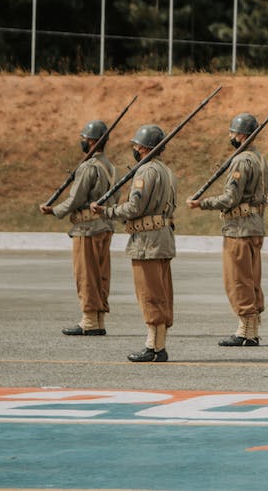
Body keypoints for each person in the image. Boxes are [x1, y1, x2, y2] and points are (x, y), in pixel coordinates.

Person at [90, 124, 176, 363]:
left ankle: (155, 347)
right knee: (161, 292)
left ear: (146, 147)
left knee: (149, 294)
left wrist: (107, 212)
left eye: (137, 145)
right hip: (162, 238)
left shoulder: (146, 172)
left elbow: (134, 207)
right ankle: (157, 343)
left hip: (147, 242)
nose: (135, 149)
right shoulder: (166, 171)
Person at [188, 113, 268, 347]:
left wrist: (202, 203)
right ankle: (251, 328)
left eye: (233, 132)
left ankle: (246, 330)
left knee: (238, 279)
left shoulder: (242, 160)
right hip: (254, 225)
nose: (231, 137)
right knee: (251, 278)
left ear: (242, 135)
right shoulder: (259, 159)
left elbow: (230, 197)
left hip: (239, 228)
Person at [40, 119, 117, 337]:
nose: (82, 142)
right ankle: (99, 318)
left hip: (86, 228)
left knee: (86, 274)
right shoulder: (110, 166)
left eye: (84, 139)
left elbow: (76, 199)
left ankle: (90, 321)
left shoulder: (88, 166)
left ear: (92, 141)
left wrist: (54, 210)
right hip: (105, 227)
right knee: (101, 274)